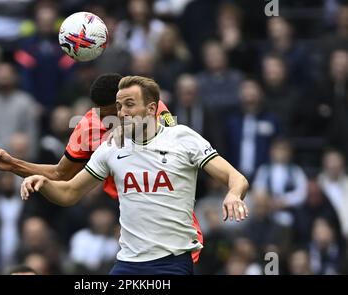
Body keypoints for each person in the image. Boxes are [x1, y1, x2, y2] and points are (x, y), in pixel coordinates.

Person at [20, 76, 249, 275]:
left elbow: (236, 177)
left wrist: (233, 194)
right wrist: (43, 183)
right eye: (119, 106)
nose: (122, 112)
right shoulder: (111, 148)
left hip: (171, 261)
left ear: (151, 109)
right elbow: (69, 192)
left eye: (130, 104)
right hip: (128, 263)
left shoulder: (182, 139)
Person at [0, 73, 174, 200]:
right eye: (100, 113)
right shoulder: (89, 127)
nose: (105, 119)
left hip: (168, 201)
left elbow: (174, 150)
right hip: (130, 208)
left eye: (111, 113)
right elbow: (61, 174)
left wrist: (128, 132)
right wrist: (13, 165)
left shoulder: (153, 108)